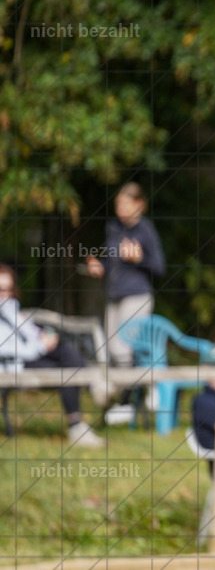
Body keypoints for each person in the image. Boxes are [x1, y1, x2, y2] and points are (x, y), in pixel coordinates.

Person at [86, 182, 166, 424]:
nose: (120, 208)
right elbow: (111, 261)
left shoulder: (146, 231)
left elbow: (160, 268)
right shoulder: (113, 228)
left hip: (137, 296)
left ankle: (126, 402)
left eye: (125, 203)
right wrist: (98, 265)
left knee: (124, 349)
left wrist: (140, 258)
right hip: (114, 296)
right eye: (118, 203)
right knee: (111, 349)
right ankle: (122, 398)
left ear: (140, 205)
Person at [0, 264, 104, 447]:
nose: (5, 294)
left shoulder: (12, 310)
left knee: (64, 349)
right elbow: (7, 350)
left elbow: (29, 333)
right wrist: (41, 346)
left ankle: (95, 389)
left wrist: (44, 337)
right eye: (1, 290)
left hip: (31, 356)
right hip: (13, 366)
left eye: (8, 289)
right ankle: (83, 413)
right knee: (66, 373)